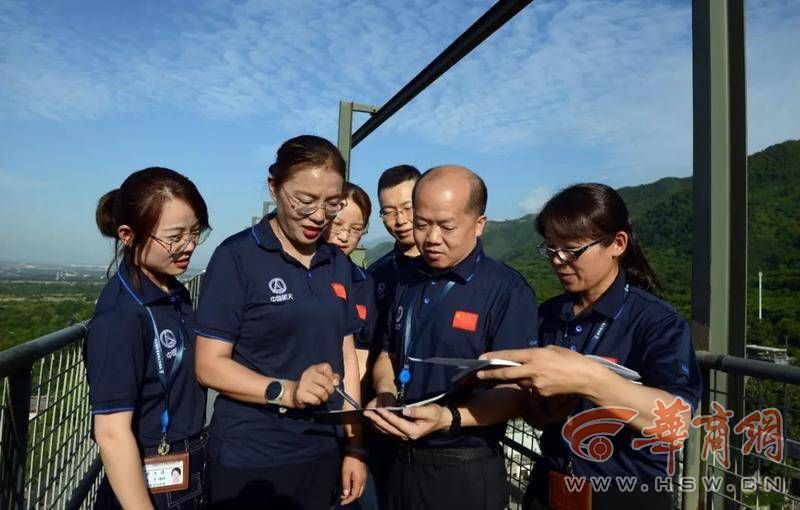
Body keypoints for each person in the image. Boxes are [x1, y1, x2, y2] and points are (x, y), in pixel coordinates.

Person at [478, 183, 702, 509]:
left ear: (618, 244)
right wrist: (542, 409)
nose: (558, 260)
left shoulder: (657, 322)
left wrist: (589, 379)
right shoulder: (549, 315)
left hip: (626, 495)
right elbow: (538, 419)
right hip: (550, 488)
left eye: (572, 250)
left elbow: (676, 423)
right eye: (551, 249)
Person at [194, 135, 367, 509]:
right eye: (304, 201)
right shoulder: (238, 257)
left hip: (322, 447)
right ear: (274, 187)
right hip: (252, 454)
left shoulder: (336, 262)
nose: (319, 216)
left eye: (332, 204)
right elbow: (209, 365)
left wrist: (354, 444)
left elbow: (346, 351)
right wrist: (286, 391)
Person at [365, 165, 539, 510]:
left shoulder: (506, 291)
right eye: (421, 223)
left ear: (479, 224)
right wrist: (385, 393)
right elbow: (388, 352)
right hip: (398, 463)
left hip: (463, 466)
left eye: (446, 226)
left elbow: (515, 391)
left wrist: (448, 417)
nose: (430, 238)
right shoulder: (406, 282)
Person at [85, 167, 210, 509]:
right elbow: (111, 434)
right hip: (147, 481)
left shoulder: (172, 291)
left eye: (195, 232)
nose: (188, 246)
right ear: (128, 235)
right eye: (174, 237)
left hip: (185, 467)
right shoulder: (120, 318)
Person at [324, 182, 381, 510]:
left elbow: (358, 362)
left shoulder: (363, 284)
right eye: (338, 224)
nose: (343, 235)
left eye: (355, 228)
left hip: (344, 410)